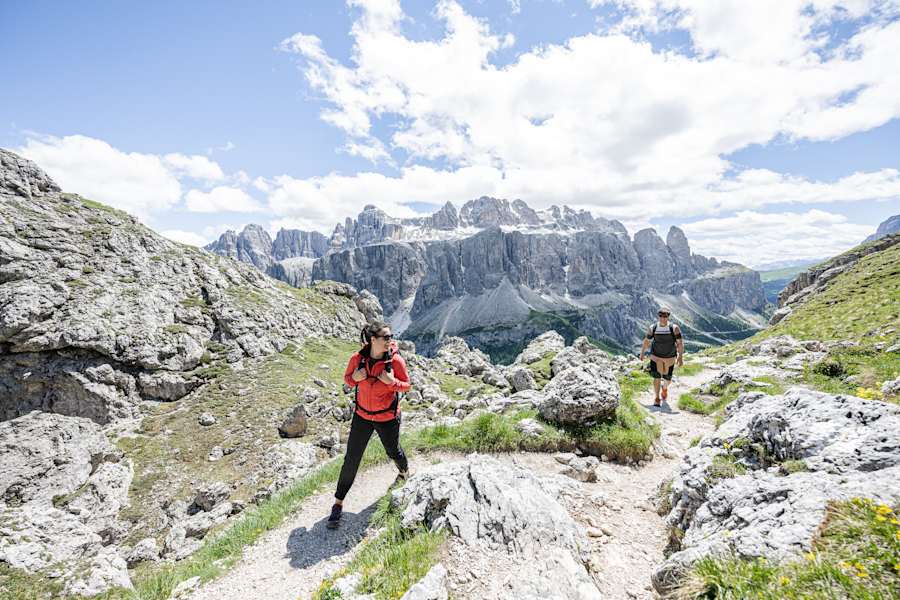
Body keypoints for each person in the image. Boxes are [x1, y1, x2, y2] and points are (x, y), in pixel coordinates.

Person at [326, 321, 412, 529]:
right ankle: (338, 503)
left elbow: (407, 386)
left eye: (391, 336)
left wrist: (392, 383)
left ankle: (404, 471)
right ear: (373, 340)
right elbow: (347, 380)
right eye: (386, 337)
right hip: (362, 416)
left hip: (387, 418)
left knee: (393, 451)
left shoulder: (396, 361)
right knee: (351, 460)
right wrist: (355, 378)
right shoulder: (357, 359)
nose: (390, 340)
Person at [639, 306, 684, 406]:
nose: (663, 318)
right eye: (661, 316)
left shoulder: (674, 328)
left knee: (667, 378)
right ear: (658, 316)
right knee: (657, 377)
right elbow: (647, 341)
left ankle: (664, 388)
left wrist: (680, 357)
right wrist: (642, 352)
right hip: (656, 356)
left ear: (668, 317)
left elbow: (680, 343)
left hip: (670, 357)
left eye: (665, 316)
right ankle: (656, 398)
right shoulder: (653, 328)